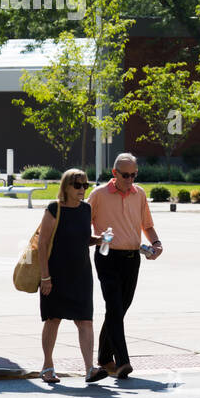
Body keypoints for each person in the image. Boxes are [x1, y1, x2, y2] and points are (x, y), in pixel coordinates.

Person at [88, 152, 163, 380]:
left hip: (132, 259)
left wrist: (156, 244)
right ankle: (122, 362)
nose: (130, 179)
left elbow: (147, 225)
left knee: (118, 309)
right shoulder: (98, 195)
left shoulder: (139, 194)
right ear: (114, 173)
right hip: (107, 257)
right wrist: (96, 238)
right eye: (126, 175)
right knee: (114, 307)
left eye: (134, 175)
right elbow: (83, 224)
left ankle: (103, 356)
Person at [38, 168, 105, 384]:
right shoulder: (54, 209)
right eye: (77, 185)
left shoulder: (86, 209)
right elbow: (43, 244)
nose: (82, 189)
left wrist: (98, 239)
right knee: (53, 319)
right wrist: (45, 277)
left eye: (85, 185)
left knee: (85, 320)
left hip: (81, 274)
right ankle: (47, 366)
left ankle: (90, 369)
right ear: (66, 186)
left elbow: (82, 239)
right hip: (56, 274)